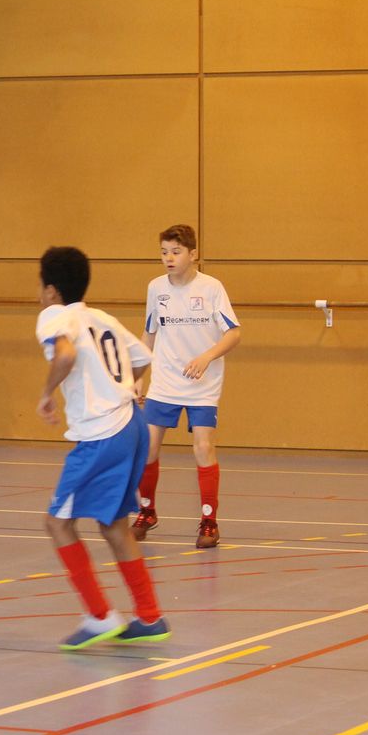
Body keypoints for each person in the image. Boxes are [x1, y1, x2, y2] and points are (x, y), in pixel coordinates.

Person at [35, 246, 170, 650]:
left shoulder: (55, 315)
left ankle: (99, 616)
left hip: (102, 434)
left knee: (58, 523)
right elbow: (142, 358)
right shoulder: (102, 318)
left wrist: (47, 393)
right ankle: (149, 615)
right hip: (132, 425)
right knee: (113, 525)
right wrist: (119, 387)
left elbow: (65, 354)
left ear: (52, 290)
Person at [132, 225, 241, 549]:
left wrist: (207, 356)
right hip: (165, 382)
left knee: (203, 448)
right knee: (147, 448)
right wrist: (137, 375)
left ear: (193, 254)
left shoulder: (211, 288)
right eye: (164, 252)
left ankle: (209, 521)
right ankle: (147, 512)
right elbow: (149, 334)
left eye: (176, 252)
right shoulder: (156, 288)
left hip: (202, 385)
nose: (169, 258)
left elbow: (234, 333)